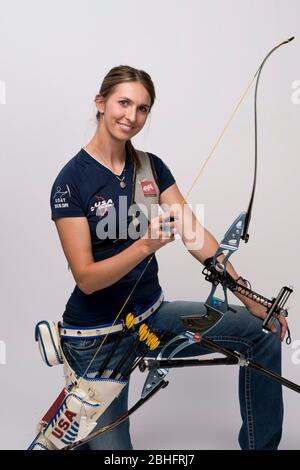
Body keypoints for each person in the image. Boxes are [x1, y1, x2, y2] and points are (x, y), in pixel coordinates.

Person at [50, 65, 287, 450]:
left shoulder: (151, 167)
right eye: (123, 103)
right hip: (96, 337)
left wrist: (250, 298)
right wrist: (144, 246)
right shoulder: (70, 182)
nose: (132, 116)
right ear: (100, 103)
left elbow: (198, 238)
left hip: (153, 318)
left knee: (261, 335)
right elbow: (87, 278)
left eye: (142, 108)